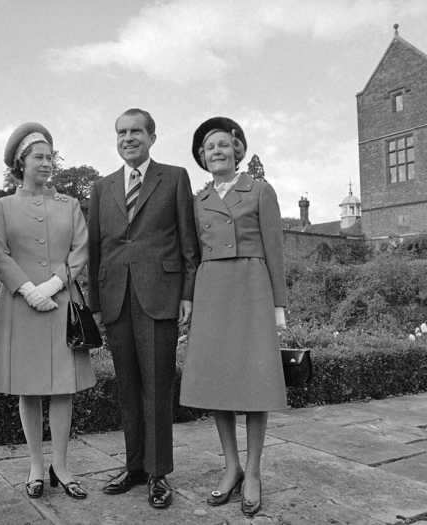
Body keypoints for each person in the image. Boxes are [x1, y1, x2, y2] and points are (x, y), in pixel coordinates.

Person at [88, 108, 199, 509]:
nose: (127, 138)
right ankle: (134, 466)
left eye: (136, 131)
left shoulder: (174, 177)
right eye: (121, 132)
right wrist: (96, 305)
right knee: (127, 389)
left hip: (160, 296)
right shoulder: (101, 188)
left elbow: (189, 242)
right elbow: (96, 250)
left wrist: (188, 293)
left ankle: (158, 473)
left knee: (156, 387)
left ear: (153, 136)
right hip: (116, 297)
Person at [179, 117, 287, 517]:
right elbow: (191, 256)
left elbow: (275, 249)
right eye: (210, 148)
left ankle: (255, 471)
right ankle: (232, 466)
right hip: (212, 291)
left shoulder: (260, 190)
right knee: (218, 382)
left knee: (255, 381)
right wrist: (188, 299)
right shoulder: (198, 200)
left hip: (252, 286)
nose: (217, 152)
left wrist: (278, 305)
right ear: (202, 158)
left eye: (224, 145)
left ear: (237, 150)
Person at [0, 122, 94, 501]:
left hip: (61, 304)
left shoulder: (70, 205)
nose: (46, 163)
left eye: (50, 157)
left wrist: (54, 284)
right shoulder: (3, 206)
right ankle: (34, 465)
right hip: (21, 306)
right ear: (21, 161)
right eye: (38, 157)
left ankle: (61, 466)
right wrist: (29, 289)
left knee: (63, 390)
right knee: (28, 390)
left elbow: (80, 249)